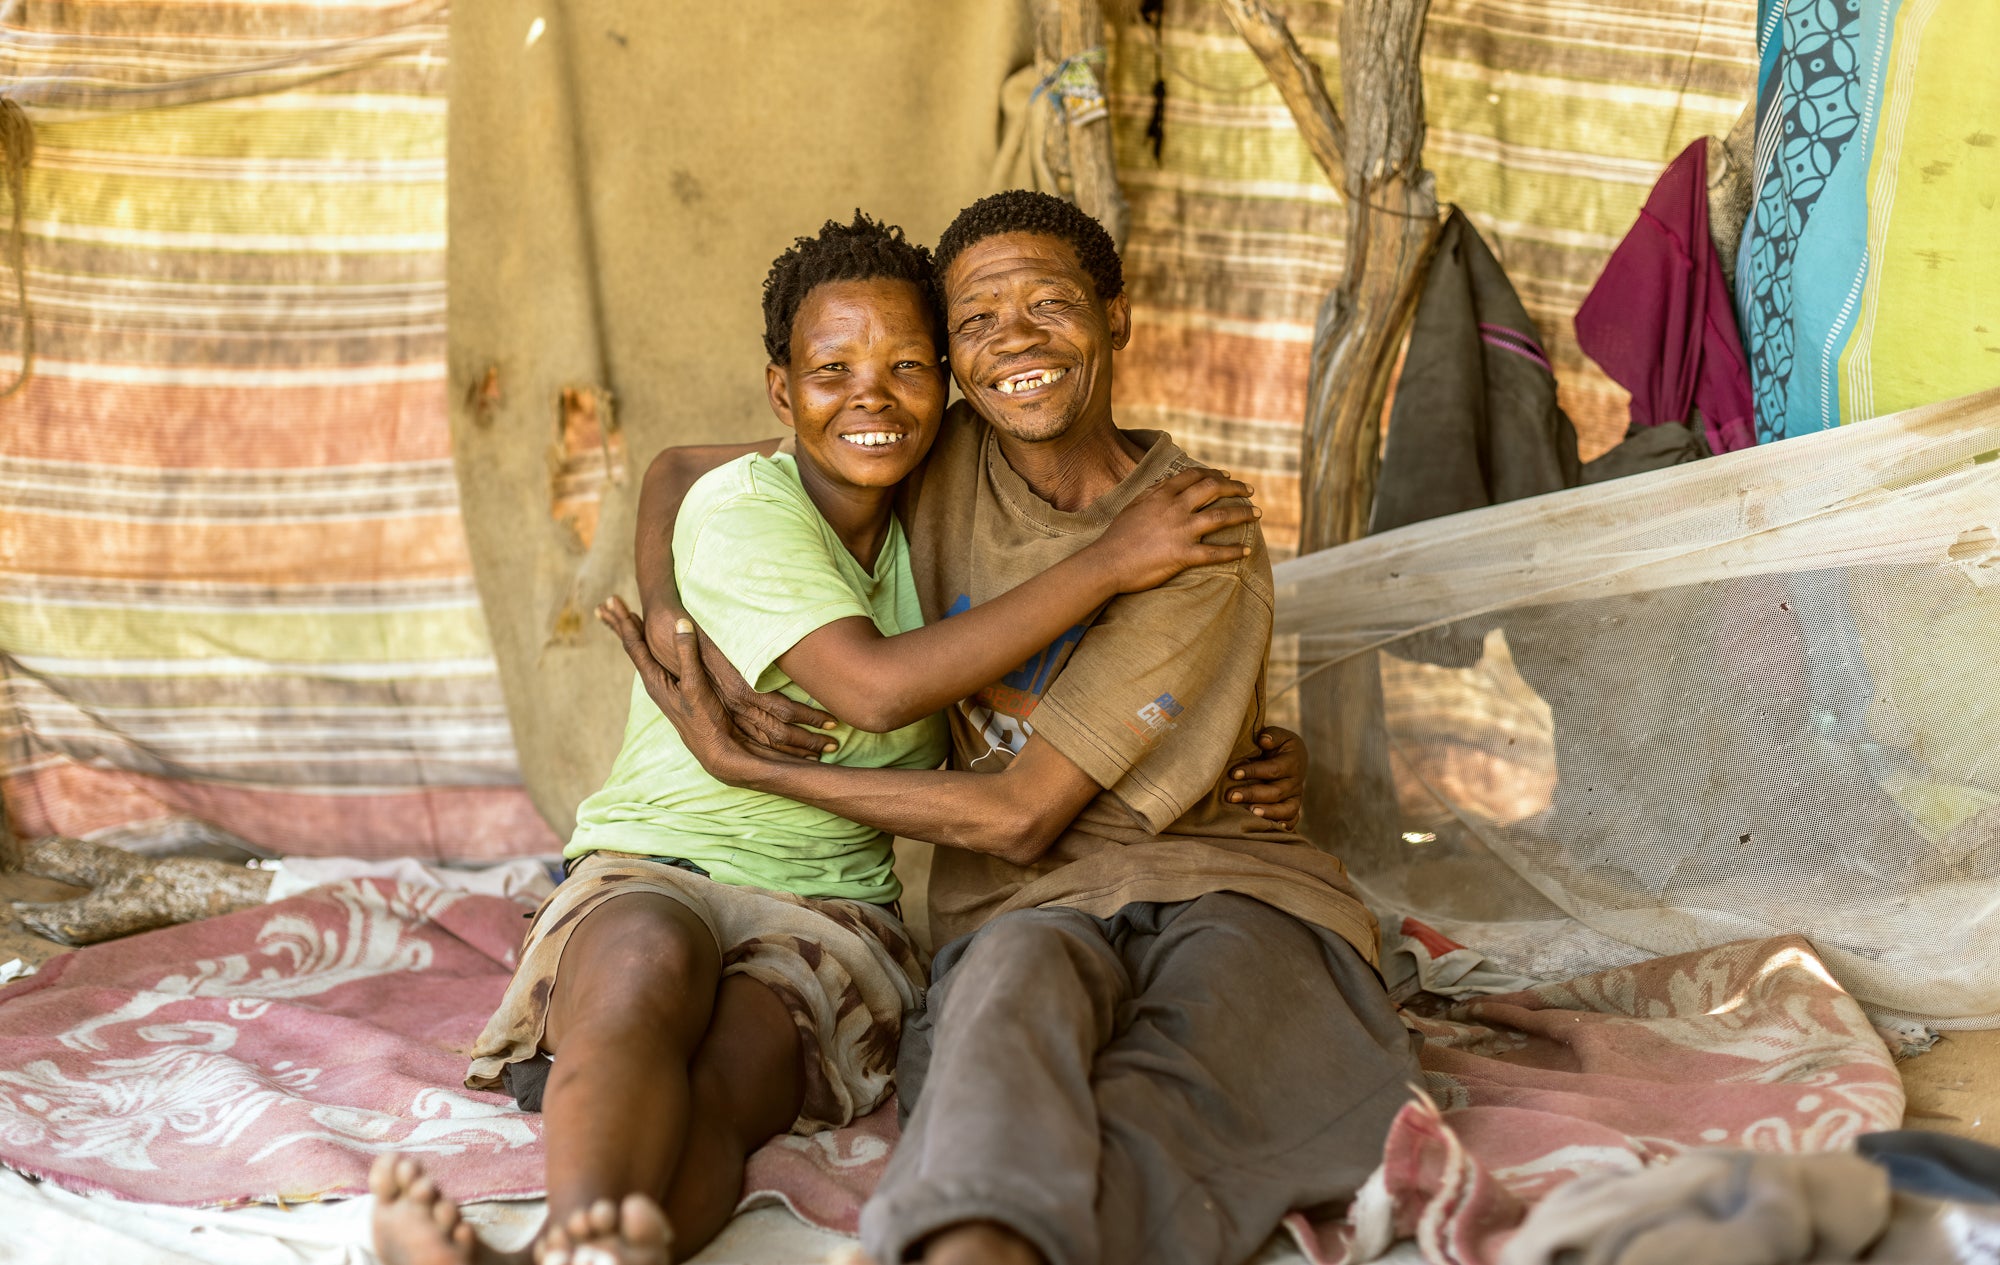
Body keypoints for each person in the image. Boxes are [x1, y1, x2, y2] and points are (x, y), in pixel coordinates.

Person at [367, 212, 1291, 1265]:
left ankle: (598, 1255)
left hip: (834, 902)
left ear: (945, 386)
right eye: (832, 369)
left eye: (906, 366)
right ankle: (555, 1244)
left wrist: (1254, 742)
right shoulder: (752, 510)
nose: (870, 394)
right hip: (660, 852)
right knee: (640, 975)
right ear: (782, 393)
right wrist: (676, 620)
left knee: (731, 1084)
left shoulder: (936, 490)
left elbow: (668, 468)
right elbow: (868, 681)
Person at [618, 191, 1418, 1265]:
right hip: (1024, 899)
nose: (1017, 340)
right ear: (950, 357)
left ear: (1115, 318)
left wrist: (738, 760)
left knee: (1195, 1062)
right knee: (1005, 1004)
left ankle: (1028, 1245)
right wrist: (681, 623)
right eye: (978, 321)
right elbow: (680, 470)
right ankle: (972, 1239)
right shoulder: (926, 448)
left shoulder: (1193, 525)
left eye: (1050, 303)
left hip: (1223, 874)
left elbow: (1013, 810)